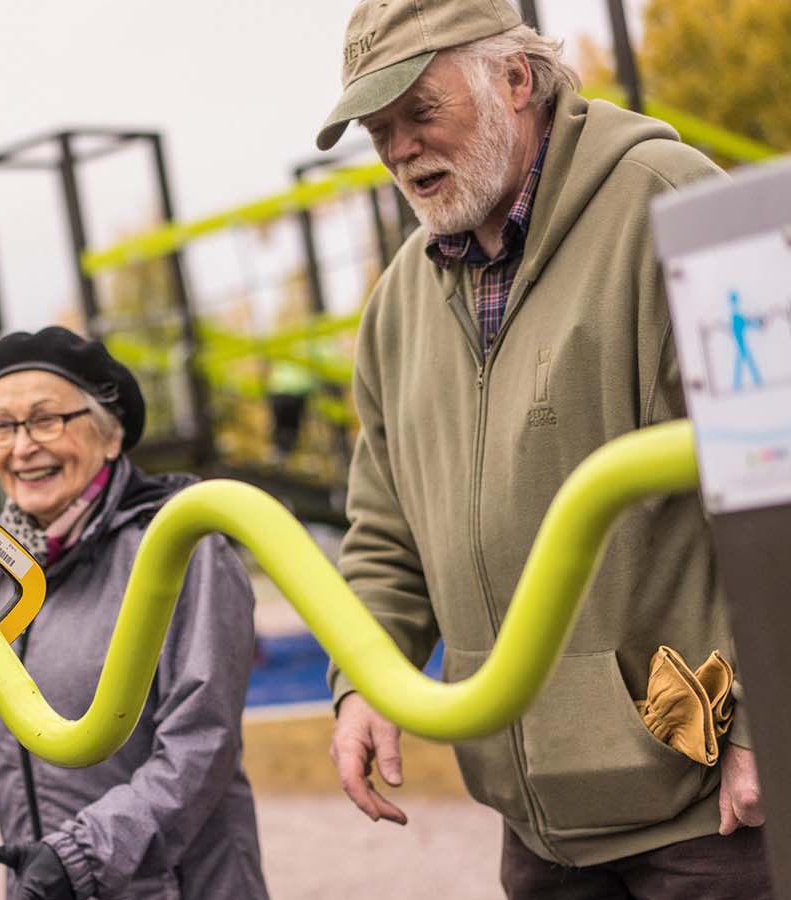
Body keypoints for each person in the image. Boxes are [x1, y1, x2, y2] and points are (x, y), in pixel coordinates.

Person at [315, 1, 770, 895]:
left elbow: (779, 481)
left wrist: (769, 726)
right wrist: (362, 683)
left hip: (709, 805)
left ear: (515, 81)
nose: (402, 149)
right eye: (380, 130)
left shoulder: (673, 199)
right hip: (535, 824)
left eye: (421, 112)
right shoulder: (396, 307)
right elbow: (382, 535)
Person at [0, 326, 267, 900]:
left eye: (45, 420)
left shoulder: (178, 550)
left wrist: (76, 861)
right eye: (3, 427)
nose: (21, 448)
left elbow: (200, 750)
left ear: (110, 435)